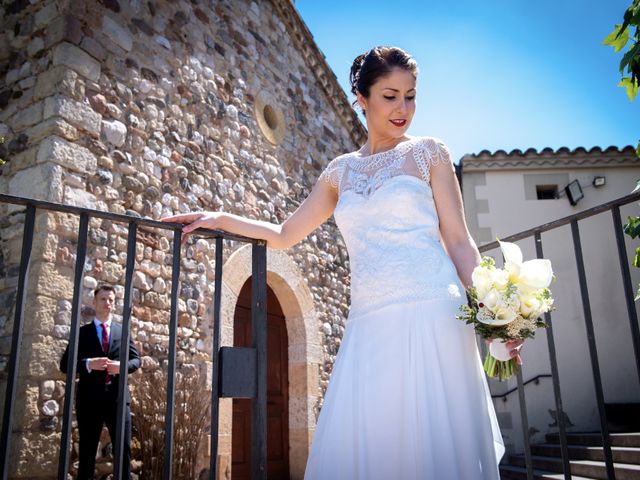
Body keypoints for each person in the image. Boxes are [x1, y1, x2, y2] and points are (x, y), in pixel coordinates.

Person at [163, 46, 523, 479]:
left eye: (411, 96)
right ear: (362, 97)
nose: (403, 108)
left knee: (432, 445)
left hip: (433, 312)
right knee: (373, 443)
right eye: (390, 95)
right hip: (369, 322)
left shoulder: (430, 153)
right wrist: (219, 218)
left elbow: (460, 242)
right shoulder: (340, 172)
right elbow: (284, 234)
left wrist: (495, 314)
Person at [60, 285, 141, 480]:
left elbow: (136, 360)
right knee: (87, 452)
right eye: (103, 299)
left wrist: (121, 366)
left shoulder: (123, 332)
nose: (107, 303)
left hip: (118, 400)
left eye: (111, 300)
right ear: (94, 303)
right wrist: (88, 363)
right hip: (89, 401)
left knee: (124, 451)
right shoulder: (83, 332)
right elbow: (65, 365)